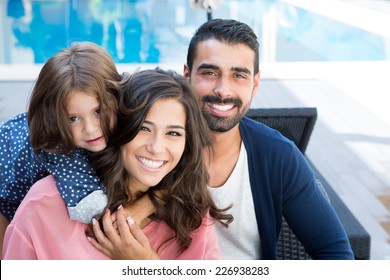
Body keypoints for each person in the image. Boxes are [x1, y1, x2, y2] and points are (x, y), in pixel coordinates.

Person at [90, 19, 354, 260]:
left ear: (256, 83)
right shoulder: (150, 150)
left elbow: (336, 254)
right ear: (187, 74)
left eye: (239, 75)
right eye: (209, 73)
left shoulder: (277, 156)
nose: (223, 90)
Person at [2, 68, 232, 260]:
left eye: (173, 133)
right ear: (118, 127)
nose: (156, 147)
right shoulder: (45, 203)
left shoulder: (195, 218)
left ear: (187, 143)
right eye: (143, 128)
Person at [0, 41, 149, 257]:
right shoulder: (59, 149)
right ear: (53, 117)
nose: (90, 129)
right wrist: (152, 201)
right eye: (72, 118)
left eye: (98, 111)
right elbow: (93, 211)